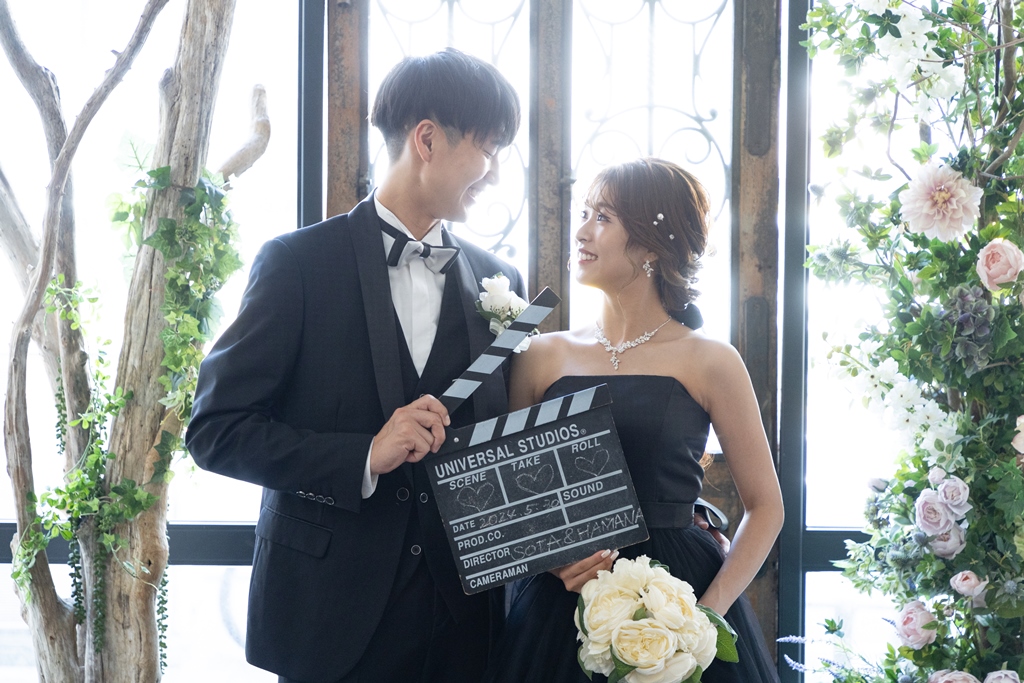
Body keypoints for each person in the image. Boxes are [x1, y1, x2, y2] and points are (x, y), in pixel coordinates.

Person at [185, 48, 523, 683]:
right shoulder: (298, 265)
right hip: (329, 621)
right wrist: (363, 455)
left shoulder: (500, 281)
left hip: (468, 628)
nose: (496, 173)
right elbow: (215, 431)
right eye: (488, 149)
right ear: (427, 139)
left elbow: (507, 443)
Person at [483, 158, 784, 683]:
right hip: (563, 602)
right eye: (584, 214)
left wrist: (702, 620)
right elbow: (509, 497)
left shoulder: (712, 360)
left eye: (602, 217)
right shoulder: (540, 355)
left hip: (680, 591)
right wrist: (552, 558)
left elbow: (766, 508)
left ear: (651, 246)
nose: (582, 231)